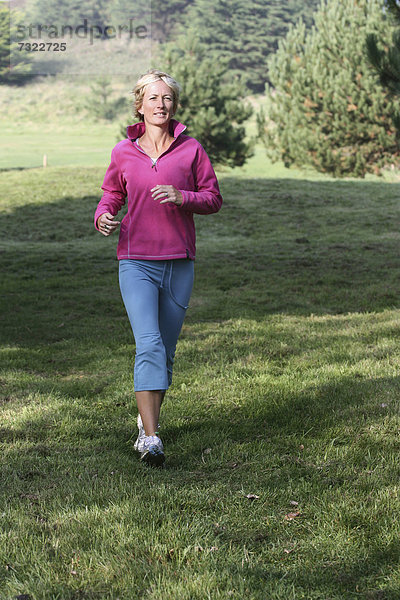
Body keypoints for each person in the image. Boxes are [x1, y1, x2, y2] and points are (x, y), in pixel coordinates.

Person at [94, 69, 223, 467]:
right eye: (153, 98)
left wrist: (182, 196)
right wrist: (103, 215)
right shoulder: (123, 151)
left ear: (174, 106)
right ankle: (151, 439)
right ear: (140, 105)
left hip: (179, 263)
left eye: (167, 98)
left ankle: (144, 419)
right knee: (148, 343)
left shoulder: (192, 150)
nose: (160, 105)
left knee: (164, 353)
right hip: (135, 261)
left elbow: (213, 198)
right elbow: (112, 194)